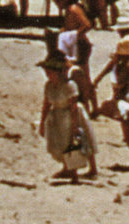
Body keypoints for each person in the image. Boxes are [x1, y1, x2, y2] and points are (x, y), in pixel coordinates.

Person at [36, 54, 97, 182]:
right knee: (61, 142)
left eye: (50, 72)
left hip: (72, 114)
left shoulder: (70, 85)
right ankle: (67, 168)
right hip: (57, 115)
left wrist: (74, 125)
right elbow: (46, 105)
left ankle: (78, 172)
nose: (47, 74)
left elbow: (73, 106)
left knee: (78, 140)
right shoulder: (49, 86)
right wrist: (42, 122)